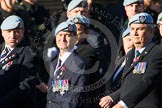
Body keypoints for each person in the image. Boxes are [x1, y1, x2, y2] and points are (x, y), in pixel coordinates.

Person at [99, 12, 162, 108]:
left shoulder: (157, 53)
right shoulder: (130, 54)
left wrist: (123, 104)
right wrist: (113, 97)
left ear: (151, 31)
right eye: (132, 29)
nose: (135, 33)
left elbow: (147, 82)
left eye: (140, 29)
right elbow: (128, 84)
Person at [46, 21, 89, 108]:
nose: (63, 39)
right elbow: (52, 94)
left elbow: (73, 98)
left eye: (67, 35)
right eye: (60, 35)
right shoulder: (55, 63)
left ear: (75, 38)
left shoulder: (78, 64)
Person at [0, 15, 39, 108]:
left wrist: (2, 103)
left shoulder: (29, 53)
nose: (12, 36)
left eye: (17, 32)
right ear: (2, 32)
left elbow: (24, 86)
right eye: (9, 31)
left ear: (23, 32)